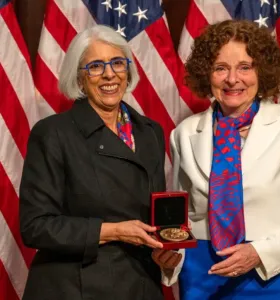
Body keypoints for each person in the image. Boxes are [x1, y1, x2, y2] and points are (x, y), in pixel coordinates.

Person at [160, 20, 280, 299]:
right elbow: (180, 217)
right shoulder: (184, 133)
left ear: (261, 71)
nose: (232, 79)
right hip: (204, 277)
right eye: (220, 68)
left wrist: (258, 253)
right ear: (207, 74)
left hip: (275, 275)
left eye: (245, 67)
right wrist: (171, 256)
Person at [19, 24, 169, 300]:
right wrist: (114, 231)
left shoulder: (151, 132)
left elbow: (156, 214)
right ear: (79, 78)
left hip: (140, 284)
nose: (109, 74)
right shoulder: (53, 133)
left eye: (117, 63)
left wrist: (166, 252)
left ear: (128, 70)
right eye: (96, 66)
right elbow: (35, 226)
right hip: (75, 287)